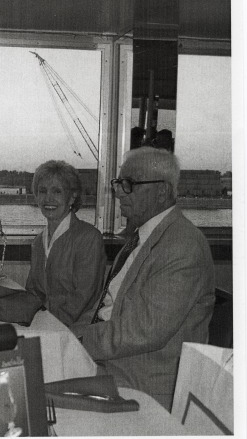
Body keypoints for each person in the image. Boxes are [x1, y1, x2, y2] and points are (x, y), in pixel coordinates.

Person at [78, 146, 215, 410]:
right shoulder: (143, 236)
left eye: (129, 184)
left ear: (162, 191)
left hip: (144, 382)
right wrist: (69, 332)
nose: (118, 192)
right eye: (119, 183)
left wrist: (79, 340)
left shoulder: (183, 245)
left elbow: (143, 331)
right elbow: (106, 306)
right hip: (115, 360)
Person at [25, 160, 105, 327]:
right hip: (45, 326)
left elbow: (83, 298)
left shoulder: (89, 238)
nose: (48, 198)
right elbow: (32, 293)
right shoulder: (38, 242)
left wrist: (46, 326)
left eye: (57, 191)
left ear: (72, 197)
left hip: (77, 330)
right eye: (42, 191)